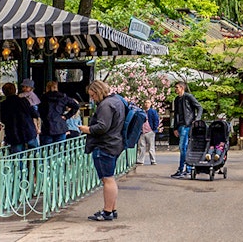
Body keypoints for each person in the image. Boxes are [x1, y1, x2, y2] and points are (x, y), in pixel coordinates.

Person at [79, 80, 126, 222]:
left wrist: (87, 129)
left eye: (93, 95)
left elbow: (102, 126)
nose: (92, 98)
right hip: (114, 143)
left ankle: (107, 212)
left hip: (105, 145)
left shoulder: (106, 105)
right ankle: (112, 209)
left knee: (107, 179)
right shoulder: (117, 101)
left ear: (98, 91)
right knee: (110, 178)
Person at [170, 80, 202, 179]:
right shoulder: (176, 99)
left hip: (187, 125)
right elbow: (175, 114)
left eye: (177, 87)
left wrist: (197, 119)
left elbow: (199, 107)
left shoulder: (188, 97)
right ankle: (187, 168)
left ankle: (183, 169)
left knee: (183, 146)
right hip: (180, 125)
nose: (175, 89)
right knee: (184, 147)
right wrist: (175, 128)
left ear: (182, 88)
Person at [0, 82, 39, 153]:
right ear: (15, 90)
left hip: (14, 134)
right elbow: (34, 114)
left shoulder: (3, 105)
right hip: (28, 131)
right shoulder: (24, 101)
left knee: (17, 157)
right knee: (35, 154)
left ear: (4, 92)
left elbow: (3, 119)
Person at [38, 81, 80, 145]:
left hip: (47, 126)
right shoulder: (63, 97)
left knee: (47, 150)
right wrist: (67, 116)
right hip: (60, 126)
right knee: (60, 149)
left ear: (47, 88)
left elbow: (39, 111)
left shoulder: (43, 98)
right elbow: (76, 106)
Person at [137, 99, 159, 165]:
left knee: (151, 147)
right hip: (142, 132)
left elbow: (156, 120)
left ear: (151, 104)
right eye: (145, 102)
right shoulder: (141, 111)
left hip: (150, 131)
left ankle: (153, 160)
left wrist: (154, 129)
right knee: (141, 147)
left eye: (148, 102)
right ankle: (140, 160)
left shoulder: (153, 111)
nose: (146, 104)